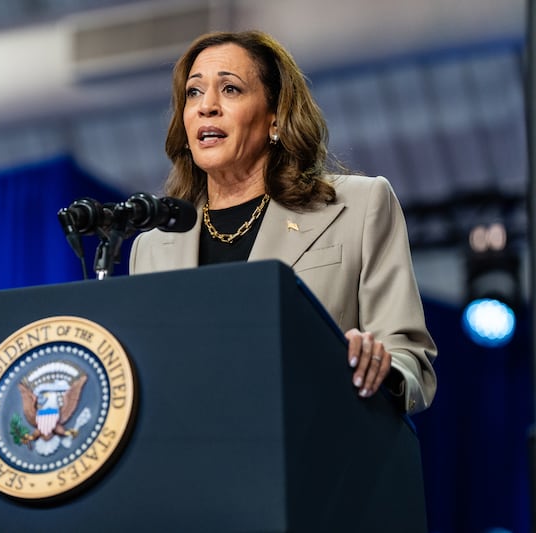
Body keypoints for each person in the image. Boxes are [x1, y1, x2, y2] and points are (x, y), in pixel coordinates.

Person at [129, 30, 436, 414]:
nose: (206, 106)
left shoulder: (359, 205)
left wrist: (381, 368)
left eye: (230, 90)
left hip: (315, 449)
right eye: (193, 92)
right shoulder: (153, 245)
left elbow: (409, 357)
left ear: (275, 118)